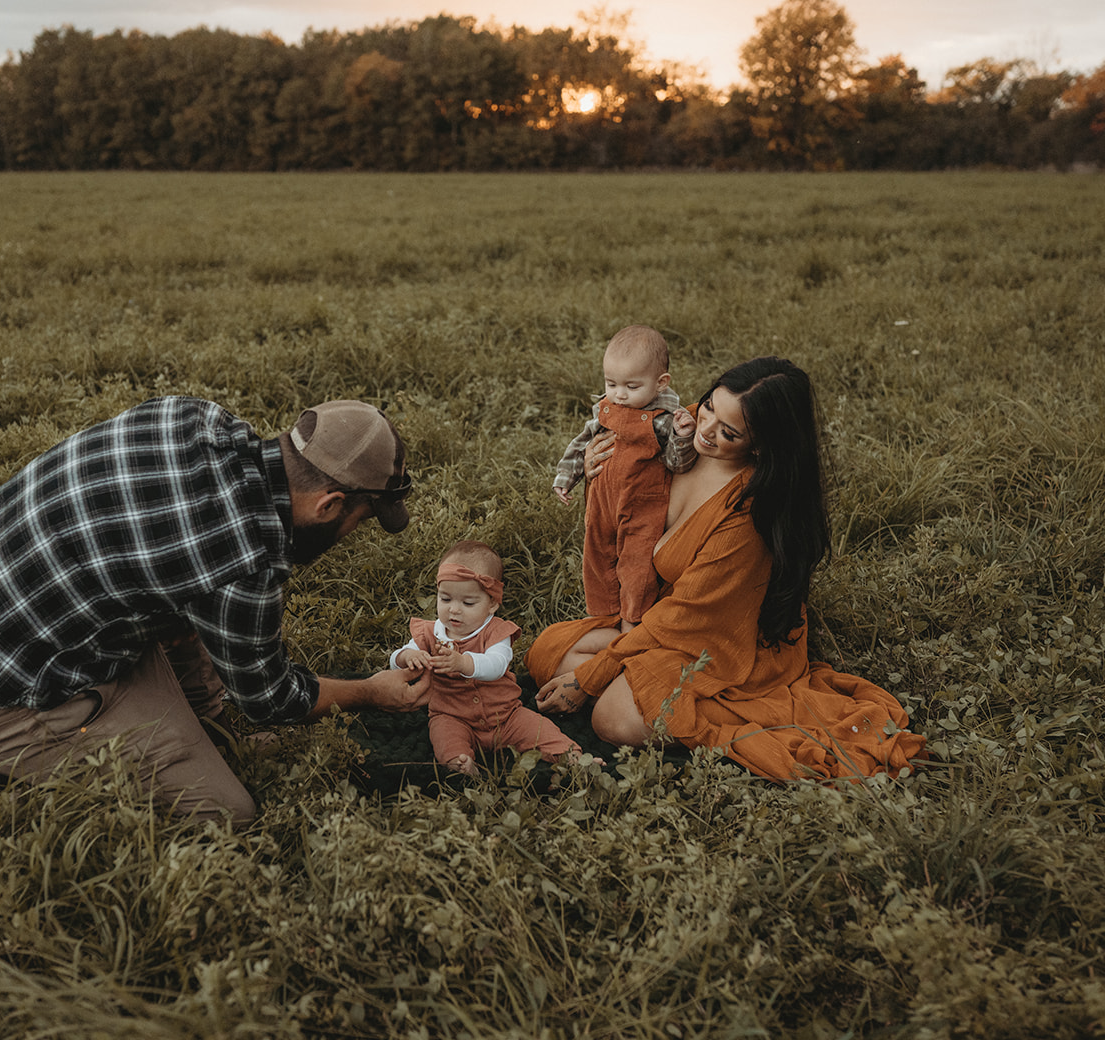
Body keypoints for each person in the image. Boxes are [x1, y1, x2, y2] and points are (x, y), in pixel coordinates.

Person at [0, 397, 429, 825]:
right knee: (227, 812)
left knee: (189, 633)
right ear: (329, 504)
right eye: (359, 521)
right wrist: (369, 691)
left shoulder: (197, 418)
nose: (350, 536)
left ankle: (204, 732)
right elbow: (272, 699)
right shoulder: (243, 560)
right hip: (6, 687)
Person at [532, 358, 926, 780]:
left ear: (760, 446)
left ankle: (667, 695)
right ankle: (635, 677)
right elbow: (623, 530)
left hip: (718, 638)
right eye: (709, 407)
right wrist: (601, 475)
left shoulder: (747, 514)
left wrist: (593, 676)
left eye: (729, 431)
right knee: (547, 652)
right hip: (658, 617)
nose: (706, 429)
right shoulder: (678, 446)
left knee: (613, 719)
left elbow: (690, 617)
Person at [390, 540, 586, 777]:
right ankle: (460, 763)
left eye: (468, 603)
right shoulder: (429, 633)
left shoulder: (496, 632)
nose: (454, 610)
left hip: (506, 716)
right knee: (444, 735)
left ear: (492, 603)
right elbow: (395, 659)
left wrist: (463, 663)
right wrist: (409, 657)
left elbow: (497, 664)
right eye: (445, 599)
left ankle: (574, 757)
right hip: (452, 715)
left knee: (539, 729)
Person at [553, 325, 697, 631]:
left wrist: (683, 438)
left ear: (661, 383)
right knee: (598, 561)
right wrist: (566, 477)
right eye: (611, 383)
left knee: (636, 568)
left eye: (632, 386)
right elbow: (582, 442)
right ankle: (602, 619)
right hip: (602, 505)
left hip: (642, 510)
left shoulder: (665, 420)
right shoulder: (609, 407)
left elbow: (677, 463)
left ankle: (632, 623)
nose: (619, 394)